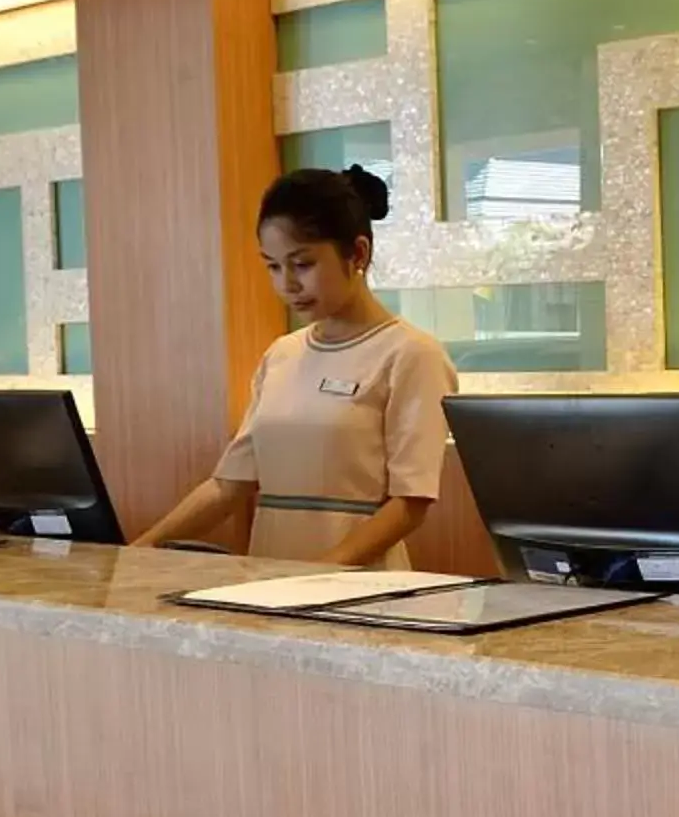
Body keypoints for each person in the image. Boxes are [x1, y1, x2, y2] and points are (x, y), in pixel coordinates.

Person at [134, 166, 456, 567]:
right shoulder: (280, 355)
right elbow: (228, 486)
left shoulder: (413, 355)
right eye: (272, 266)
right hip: (271, 587)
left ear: (358, 253)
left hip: (360, 591)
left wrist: (318, 574)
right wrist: (137, 552)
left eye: (302, 264)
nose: (287, 284)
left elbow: (411, 502)